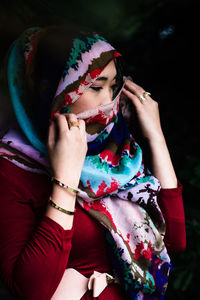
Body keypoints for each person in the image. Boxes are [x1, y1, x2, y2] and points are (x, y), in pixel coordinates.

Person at [0, 25, 186, 300]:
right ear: (49, 89)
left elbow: (173, 241)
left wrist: (156, 137)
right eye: (96, 87)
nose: (109, 100)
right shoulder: (11, 169)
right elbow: (31, 291)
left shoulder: (116, 156)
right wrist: (65, 181)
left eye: (114, 86)